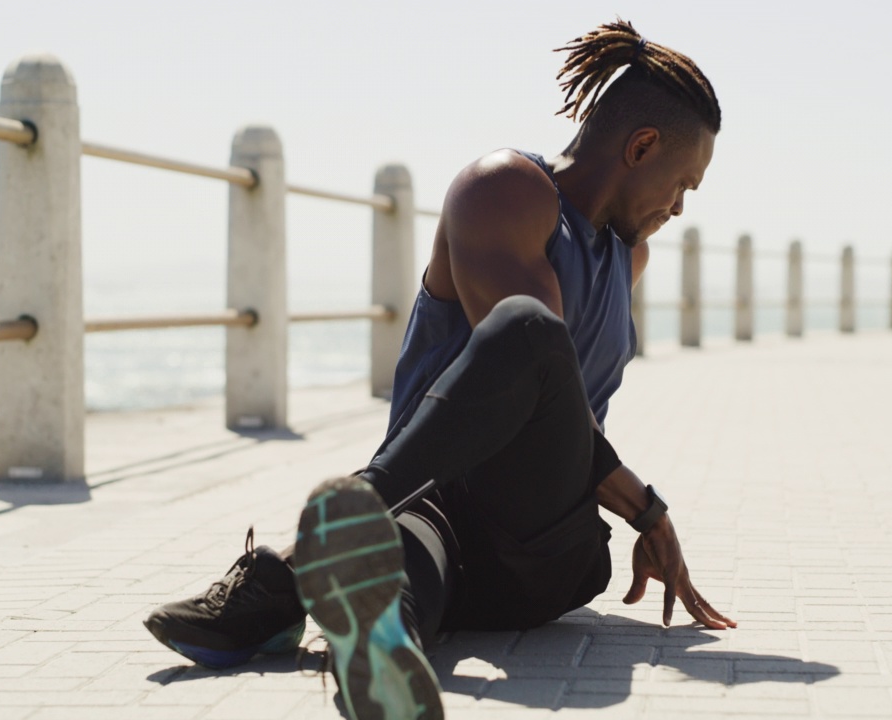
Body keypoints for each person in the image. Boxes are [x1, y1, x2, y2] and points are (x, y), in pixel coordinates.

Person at [144, 19, 735, 720]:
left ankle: (295, 565)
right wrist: (648, 510)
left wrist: (648, 513)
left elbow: (554, 409)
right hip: (433, 521)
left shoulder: (625, 257)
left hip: (544, 539)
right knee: (391, 567)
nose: (678, 206)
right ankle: (369, 643)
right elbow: (527, 367)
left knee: (527, 336)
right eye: (683, 184)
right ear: (642, 147)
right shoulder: (507, 191)